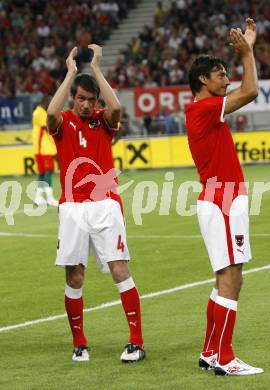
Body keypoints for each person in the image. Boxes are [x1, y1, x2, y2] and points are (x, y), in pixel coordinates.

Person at [46, 44, 145, 363]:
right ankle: (79, 342)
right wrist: (71, 73)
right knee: (74, 275)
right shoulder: (62, 124)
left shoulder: (104, 120)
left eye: (91, 100)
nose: (87, 105)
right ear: (74, 99)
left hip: (105, 205)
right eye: (81, 99)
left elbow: (117, 108)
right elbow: (50, 113)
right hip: (73, 208)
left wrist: (98, 69)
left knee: (119, 269)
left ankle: (136, 341)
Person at [184, 19, 263, 376]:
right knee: (232, 278)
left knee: (223, 280)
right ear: (203, 80)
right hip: (224, 200)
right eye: (219, 74)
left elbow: (240, 91)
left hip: (218, 199)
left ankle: (210, 352)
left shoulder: (202, 111)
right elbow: (251, 92)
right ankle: (226, 359)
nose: (226, 79)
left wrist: (246, 47)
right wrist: (248, 53)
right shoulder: (203, 108)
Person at [32, 94, 59, 207]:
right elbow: (49, 129)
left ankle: (38, 198)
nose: (51, 105)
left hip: (43, 148)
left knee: (43, 173)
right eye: (50, 102)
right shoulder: (40, 113)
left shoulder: (39, 112)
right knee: (48, 172)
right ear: (45, 102)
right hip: (43, 148)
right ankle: (49, 198)